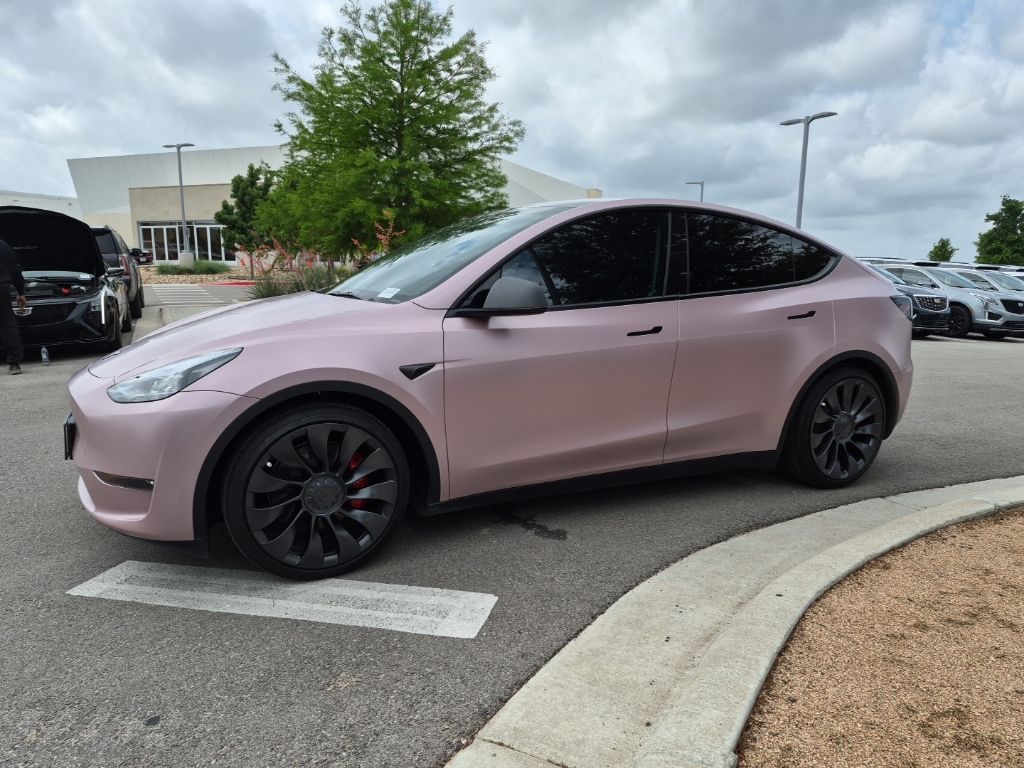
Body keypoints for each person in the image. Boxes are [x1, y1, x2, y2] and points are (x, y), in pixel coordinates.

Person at [0, 236, 27, 375]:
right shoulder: (4, 246)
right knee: (8, 326)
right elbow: (16, 270)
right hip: (2, 291)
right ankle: (14, 364)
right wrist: (20, 292)